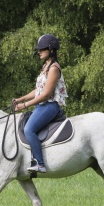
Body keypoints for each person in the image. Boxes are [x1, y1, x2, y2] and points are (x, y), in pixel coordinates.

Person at [13, 34, 68, 173]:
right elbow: (38, 90)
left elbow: (46, 94)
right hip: (42, 105)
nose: (39, 52)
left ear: (51, 50)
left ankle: (40, 163)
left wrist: (25, 106)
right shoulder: (45, 67)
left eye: (42, 49)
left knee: (29, 130)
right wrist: (21, 99)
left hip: (50, 105)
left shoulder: (54, 68)